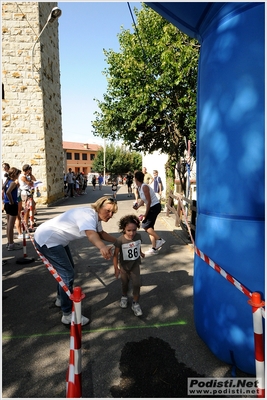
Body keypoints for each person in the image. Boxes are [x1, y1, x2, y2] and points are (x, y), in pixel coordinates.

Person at [34, 197, 118, 326]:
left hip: (56, 240)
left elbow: (100, 233)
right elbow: (91, 234)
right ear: (99, 207)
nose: (110, 215)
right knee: (67, 274)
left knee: (67, 272)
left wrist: (118, 241)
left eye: (113, 212)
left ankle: (60, 299)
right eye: (108, 211)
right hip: (48, 240)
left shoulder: (94, 217)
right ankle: (67, 314)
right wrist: (102, 247)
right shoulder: (88, 216)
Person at [113, 214, 145, 316]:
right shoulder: (120, 240)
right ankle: (124, 296)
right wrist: (116, 268)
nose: (132, 233)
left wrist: (140, 252)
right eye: (129, 230)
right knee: (125, 283)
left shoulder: (138, 236)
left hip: (135, 264)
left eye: (134, 230)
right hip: (124, 266)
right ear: (123, 229)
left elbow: (138, 245)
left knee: (136, 284)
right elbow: (115, 255)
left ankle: (135, 304)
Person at [133, 170, 166, 255]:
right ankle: (154, 248)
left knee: (145, 225)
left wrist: (145, 215)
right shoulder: (140, 188)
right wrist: (138, 206)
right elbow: (143, 201)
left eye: (134, 179)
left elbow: (149, 202)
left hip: (154, 207)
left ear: (136, 179)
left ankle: (160, 240)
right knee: (150, 228)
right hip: (152, 206)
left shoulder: (144, 187)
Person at [3, 167, 23, 251]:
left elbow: (5, 190)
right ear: (15, 174)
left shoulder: (7, 181)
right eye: (18, 174)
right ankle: (11, 244)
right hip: (12, 204)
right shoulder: (13, 183)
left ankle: (9, 242)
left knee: (8, 224)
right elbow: (8, 192)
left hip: (6, 203)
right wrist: (11, 201)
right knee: (11, 225)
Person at [19, 164, 36, 231]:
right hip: (25, 194)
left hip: (29, 193)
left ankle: (30, 222)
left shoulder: (27, 176)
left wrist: (30, 175)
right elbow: (30, 183)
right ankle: (25, 224)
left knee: (32, 207)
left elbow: (34, 180)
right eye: (29, 170)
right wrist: (32, 182)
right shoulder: (22, 176)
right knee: (27, 210)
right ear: (27, 170)